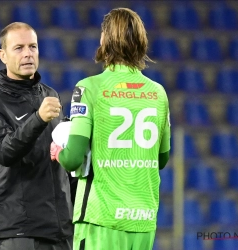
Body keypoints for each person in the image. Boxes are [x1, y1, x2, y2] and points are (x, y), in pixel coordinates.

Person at [50, 8, 171, 250]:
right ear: (141, 41)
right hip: (143, 221)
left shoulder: (88, 89)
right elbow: (162, 158)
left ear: (105, 40)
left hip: (100, 220)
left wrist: (58, 153)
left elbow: (73, 158)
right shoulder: (158, 93)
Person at [0, 22, 74, 250]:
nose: (28, 53)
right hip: (20, 232)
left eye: (33, 46)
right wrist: (38, 118)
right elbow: (4, 152)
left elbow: (62, 159)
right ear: (3, 55)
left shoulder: (50, 95)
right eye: (19, 48)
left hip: (60, 230)